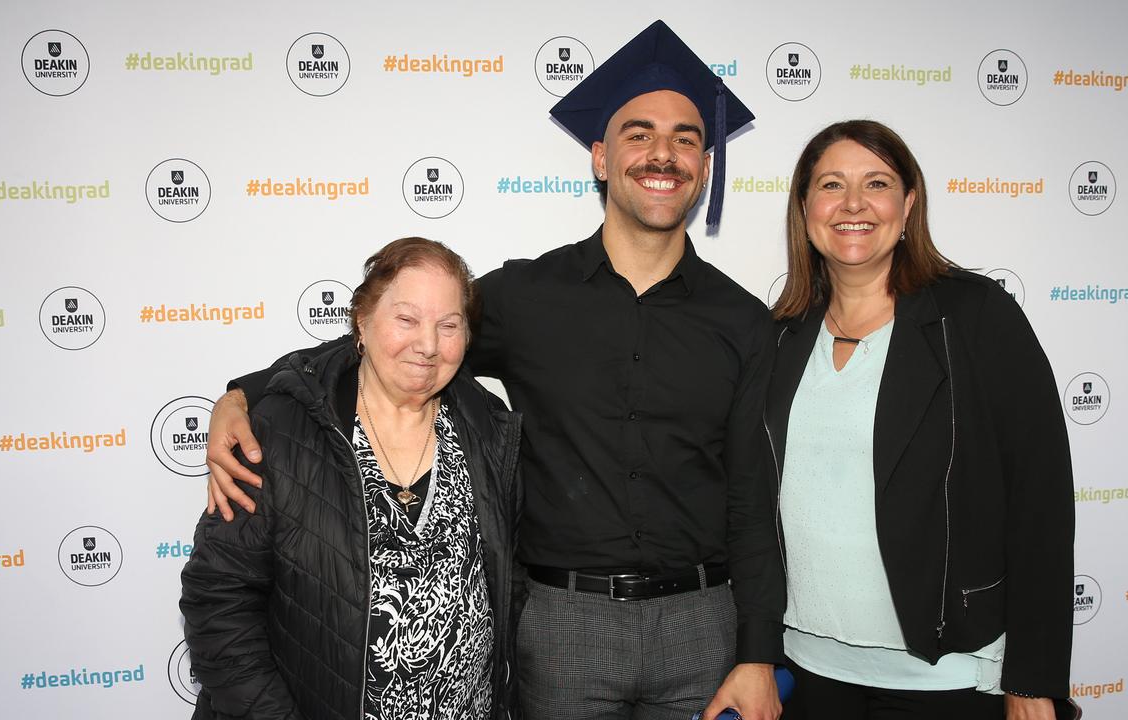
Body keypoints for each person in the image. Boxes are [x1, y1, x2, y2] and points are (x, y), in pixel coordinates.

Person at [202, 20, 785, 720]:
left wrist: (757, 653)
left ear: (705, 166)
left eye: (686, 138)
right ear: (600, 158)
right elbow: (404, 344)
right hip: (565, 629)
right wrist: (250, 391)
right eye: (639, 134)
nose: (663, 153)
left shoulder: (743, 321)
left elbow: (754, 498)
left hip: (701, 627)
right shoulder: (524, 297)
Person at [766, 120, 1076, 719]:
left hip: (947, 680)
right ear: (804, 208)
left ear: (908, 205)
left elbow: (1040, 505)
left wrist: (1033, 681)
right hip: (808, 675)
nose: (853, 204)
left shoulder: (977, 317)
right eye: (831, 184)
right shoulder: (780, 335)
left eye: (876, 183)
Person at [180, 238, 523, 719]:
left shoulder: (488, 430)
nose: (427, 345)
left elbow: (511, 588)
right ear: (362, 322)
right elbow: (218, 600)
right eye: (406, 320)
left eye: (449, 325)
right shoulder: (278, 433)